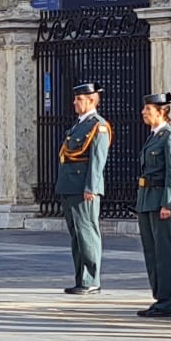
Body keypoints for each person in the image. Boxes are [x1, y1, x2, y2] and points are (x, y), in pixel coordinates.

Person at [57, 83, 112, 295]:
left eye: (78, 99)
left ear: (91, 100)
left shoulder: (98, 126)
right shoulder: (79, 124)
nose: (74, 102)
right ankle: (81, 278)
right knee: (77, 235)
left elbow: (97, 161)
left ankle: (91, 280)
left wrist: (92, 187)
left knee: (87, 233)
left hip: (83, 188)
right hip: (70, 186)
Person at [134, 92, 171, 318]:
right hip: (146, 200)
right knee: (151, 253)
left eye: (148, 109)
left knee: (163, 254)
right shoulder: (154, 136)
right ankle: (158, 297)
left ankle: (166, 301)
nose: (144, 112)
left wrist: (168, 203)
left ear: (162, 111)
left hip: (160, 201)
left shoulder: (170, 137)